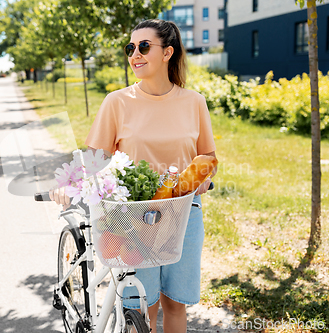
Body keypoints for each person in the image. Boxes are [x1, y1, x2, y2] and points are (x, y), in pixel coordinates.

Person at [50, 19, 217, 333]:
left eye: (143, 46)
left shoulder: (193, 102)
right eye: (130, 48)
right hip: (131, 216)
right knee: (142, 305)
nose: (134, 54)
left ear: (168, 52)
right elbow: (94, 158)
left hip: (183, 213)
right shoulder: (117, 102)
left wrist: (202, 177)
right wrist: (70, 183)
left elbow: (207, 156)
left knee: (175, 304)